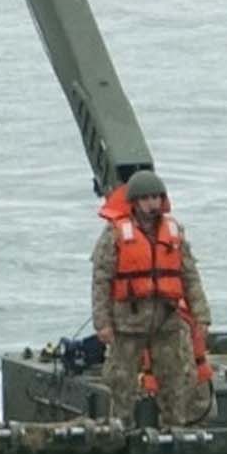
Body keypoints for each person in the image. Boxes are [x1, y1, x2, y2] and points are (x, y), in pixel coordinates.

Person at [92, 170, 211, 427]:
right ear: (134, 201)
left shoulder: (174, 232)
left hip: (166, 321)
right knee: (121, 383)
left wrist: (201, 315)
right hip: (127, 324)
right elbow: (101, 281)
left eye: (156, 197)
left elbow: (190, 276)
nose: (152, 203)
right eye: (146, 198)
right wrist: (102, 323)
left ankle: (175, 428)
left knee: (176, 380)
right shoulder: (114, 235)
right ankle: (121, 430)